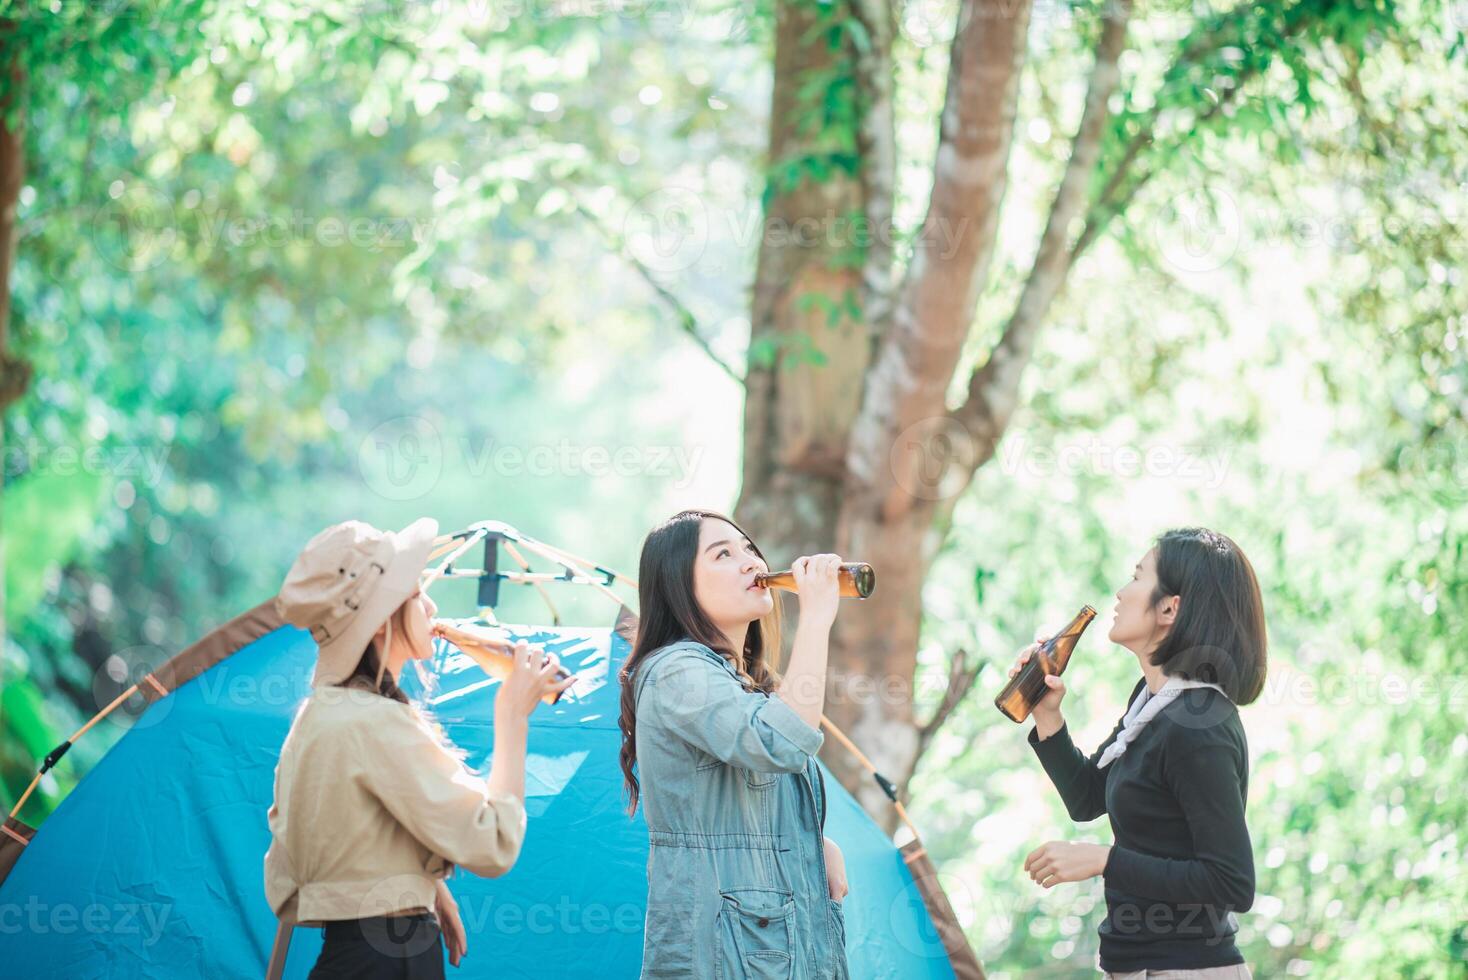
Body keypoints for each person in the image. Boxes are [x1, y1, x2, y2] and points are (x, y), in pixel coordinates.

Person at [264, 518, 574, 978]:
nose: (430, 606)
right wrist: (511, 715)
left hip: (353, 958)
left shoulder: (318, 717)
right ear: (379, 620)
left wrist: (418, 884)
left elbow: (301, 865)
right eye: (413, 592)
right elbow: (493, 844)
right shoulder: (373, 720)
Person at [1011, 527, 1267, 978]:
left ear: (1170, 607)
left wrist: (1105, 861)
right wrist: (1048, 715)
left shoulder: (1198, 724)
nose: (1120, 592)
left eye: (1136, 577)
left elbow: (1232, 883)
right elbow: (1089, 798)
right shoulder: (1153, 703)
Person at [617, 509, 851, 979]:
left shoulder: (744, 684)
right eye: (723, 554)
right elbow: (782, 742)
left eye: (748, 548)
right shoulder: (675, 671)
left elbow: (740, 804)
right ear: (679, 585)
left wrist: (806, 841)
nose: (749, 562)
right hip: (721, 955)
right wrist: (818, 617)